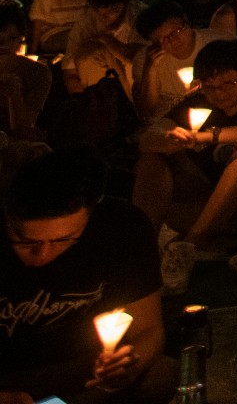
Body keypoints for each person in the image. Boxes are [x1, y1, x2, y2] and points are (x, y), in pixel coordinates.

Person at [1, 149, 173, 404]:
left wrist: (125, 368)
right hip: (9, 376)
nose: (43, 255)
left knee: (162, 375)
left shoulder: (122, 227)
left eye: (62, 240)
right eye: (26, 242)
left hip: (84, 368)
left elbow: (148, 329)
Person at [132, 37, 237, 293]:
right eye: (210, 87)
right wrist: (168, 140)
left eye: (228, 84)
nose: (219, 93)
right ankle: (143, 246)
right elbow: (148, 139)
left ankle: (190, 246)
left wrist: (210, 136)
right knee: (153, 158)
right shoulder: (198, 101)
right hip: (208, 203)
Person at [130, 1, 206, 121]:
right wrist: (150, 69)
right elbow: (146, 112)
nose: (173, 40)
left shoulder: (215, 44)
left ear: (186, 21)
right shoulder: (145, 60)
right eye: (163, 39)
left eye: (176, 32)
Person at [0, 4, 53, 143]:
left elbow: (23, 130)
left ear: (21, 39)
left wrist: (15, 95)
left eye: (12, 38)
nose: (3, 45)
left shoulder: (37, 73)